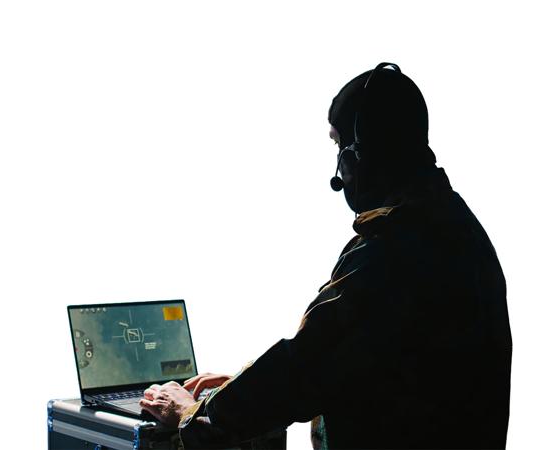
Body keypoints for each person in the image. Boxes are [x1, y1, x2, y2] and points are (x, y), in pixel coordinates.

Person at [139, 63, 512, 449]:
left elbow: (304, 367)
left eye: (339, 146)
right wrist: (235, 390)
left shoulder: (397, 248)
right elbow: (346, 361)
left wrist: (193, 414)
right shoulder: (451, 224)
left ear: (361, 152)